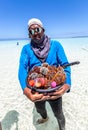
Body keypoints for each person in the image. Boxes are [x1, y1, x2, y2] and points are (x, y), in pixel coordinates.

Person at [18, 18, 71, 130]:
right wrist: (26, 91)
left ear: (43, 29)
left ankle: (62, 128)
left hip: (54, 89)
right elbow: (22, 69)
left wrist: (67, 85)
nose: (35, 33)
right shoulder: (26, 49)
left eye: (37, 29)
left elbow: (65, 65)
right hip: (36, 89)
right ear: (29, 35)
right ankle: (45, 118)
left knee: (58, 114)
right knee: (40, 109)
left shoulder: (56, 45)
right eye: (31, 31)